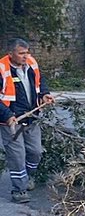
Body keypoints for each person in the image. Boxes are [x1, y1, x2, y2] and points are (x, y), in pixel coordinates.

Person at [0, 38, 55, 203]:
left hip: (32, 117)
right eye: (21, 53)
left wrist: (44, 94)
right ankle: (19, 190)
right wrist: (7, 115)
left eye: (27, 52)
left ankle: (29, 177)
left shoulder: (31, 63)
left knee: (36, 152)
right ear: (10, 54)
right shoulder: (1, 68)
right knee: (17, 156)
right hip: (11, 121)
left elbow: (40, 81)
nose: (26, 56)